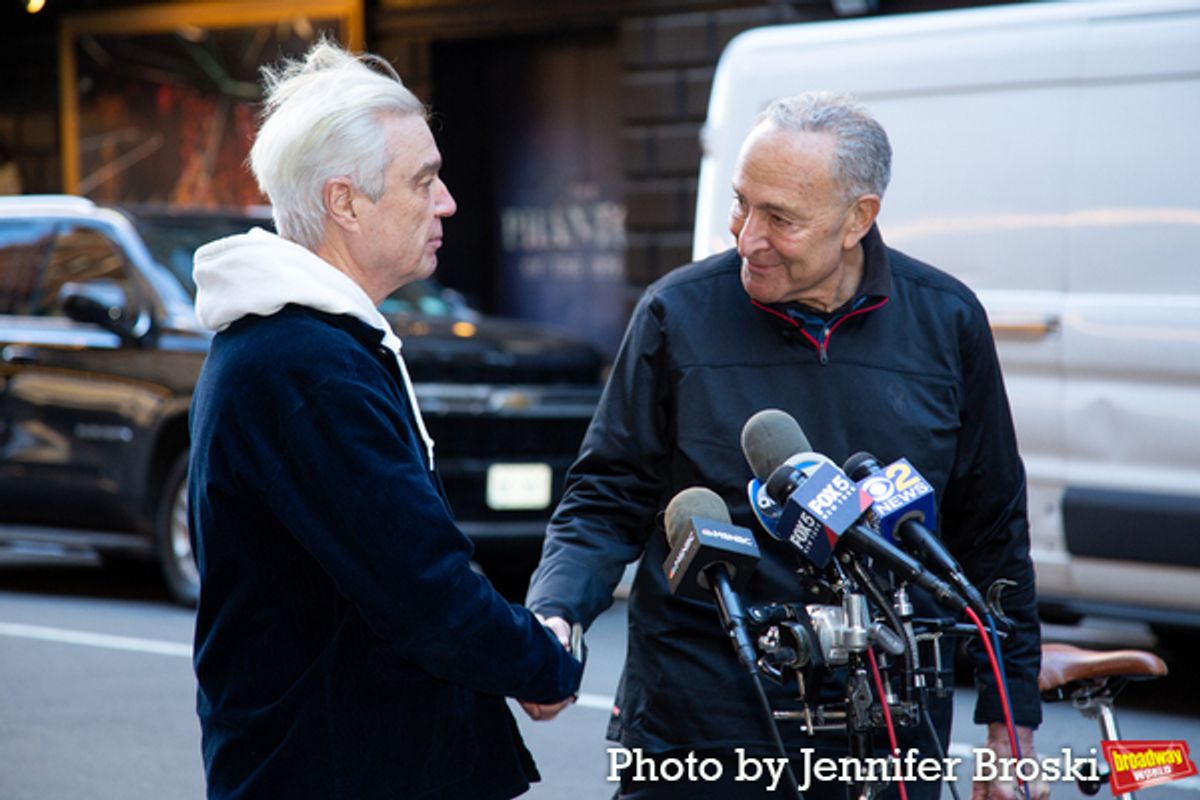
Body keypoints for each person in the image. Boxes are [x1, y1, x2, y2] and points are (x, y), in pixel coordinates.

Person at [523, 92, 1046, 800]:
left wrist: (1008, 728)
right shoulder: (676, 313)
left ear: (858, 219)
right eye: (742, 204)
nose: (746, 237)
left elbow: (993, 530)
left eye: (781, 219)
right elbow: (604, 497)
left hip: (887, 721)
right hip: (700, 713)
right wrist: (556, 613)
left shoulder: (948, 321)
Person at [187, 41, 581, 800]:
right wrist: (545, 661)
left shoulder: (302, 347)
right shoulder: (302, 364)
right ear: (345, 201)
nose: (447, 202)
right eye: (423, 180)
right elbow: (420, 586)